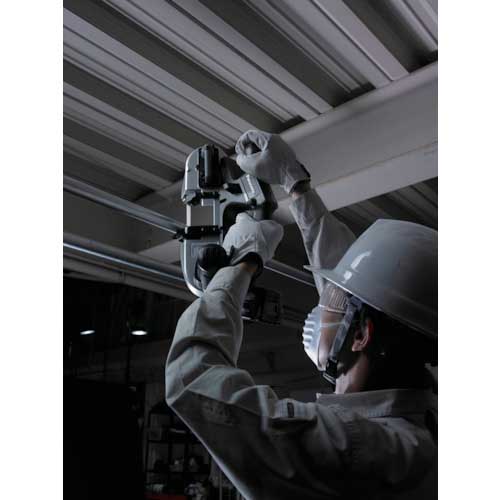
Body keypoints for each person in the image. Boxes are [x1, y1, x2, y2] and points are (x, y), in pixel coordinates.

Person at [165, 130, 437, 499]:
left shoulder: (363, 448)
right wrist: (295, 183)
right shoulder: (422, 432)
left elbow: (191, 381)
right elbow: (358, 291)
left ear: (361, 335)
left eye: (331, 305)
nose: (321, 307)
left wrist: (241, 266)